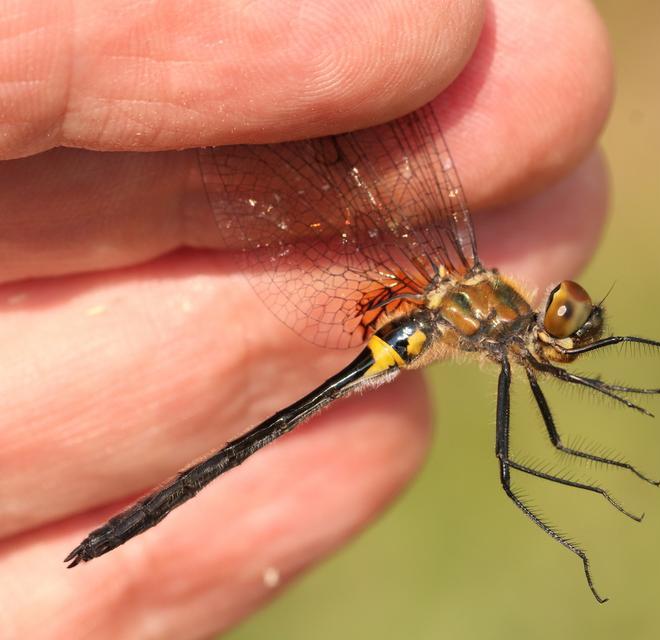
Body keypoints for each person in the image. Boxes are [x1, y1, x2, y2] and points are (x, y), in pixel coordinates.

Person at [0, 0, 613, 636]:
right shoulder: (501, 321)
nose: (567, 322)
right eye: (568, 318)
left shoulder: (506, 322)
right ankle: (128, 523)